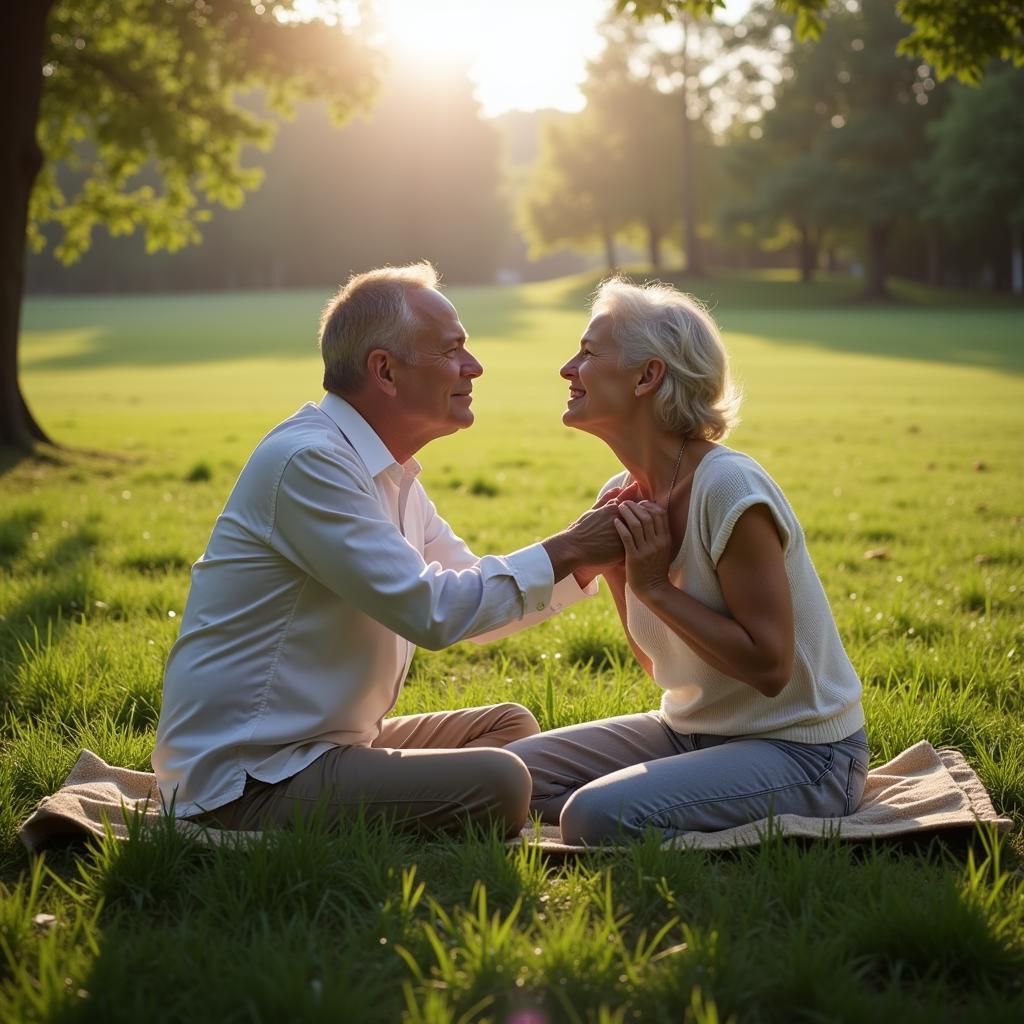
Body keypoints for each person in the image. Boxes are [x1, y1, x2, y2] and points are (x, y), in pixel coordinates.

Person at [152, 263, 630, 837]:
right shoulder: (309, 462)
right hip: (250, 778)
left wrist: (584, 559)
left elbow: (469, 600)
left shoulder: (390, 473)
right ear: (385, 370)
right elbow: (431, 611)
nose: (474, 368)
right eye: (453, 350)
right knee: (502, 782)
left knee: (510, 727)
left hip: (332, 744)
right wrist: (569, 546)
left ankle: (538, 809)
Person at [506, 278, 868, 845]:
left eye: (588, 353)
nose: (567, 368)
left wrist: (654, 586)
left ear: (648, 376)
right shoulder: (623, 494)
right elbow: (663, 669)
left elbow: (770, 670)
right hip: (689, 732)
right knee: (504, 780)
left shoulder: (728, 487)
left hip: (804, 753)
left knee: (591, 817)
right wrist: (621, 569)